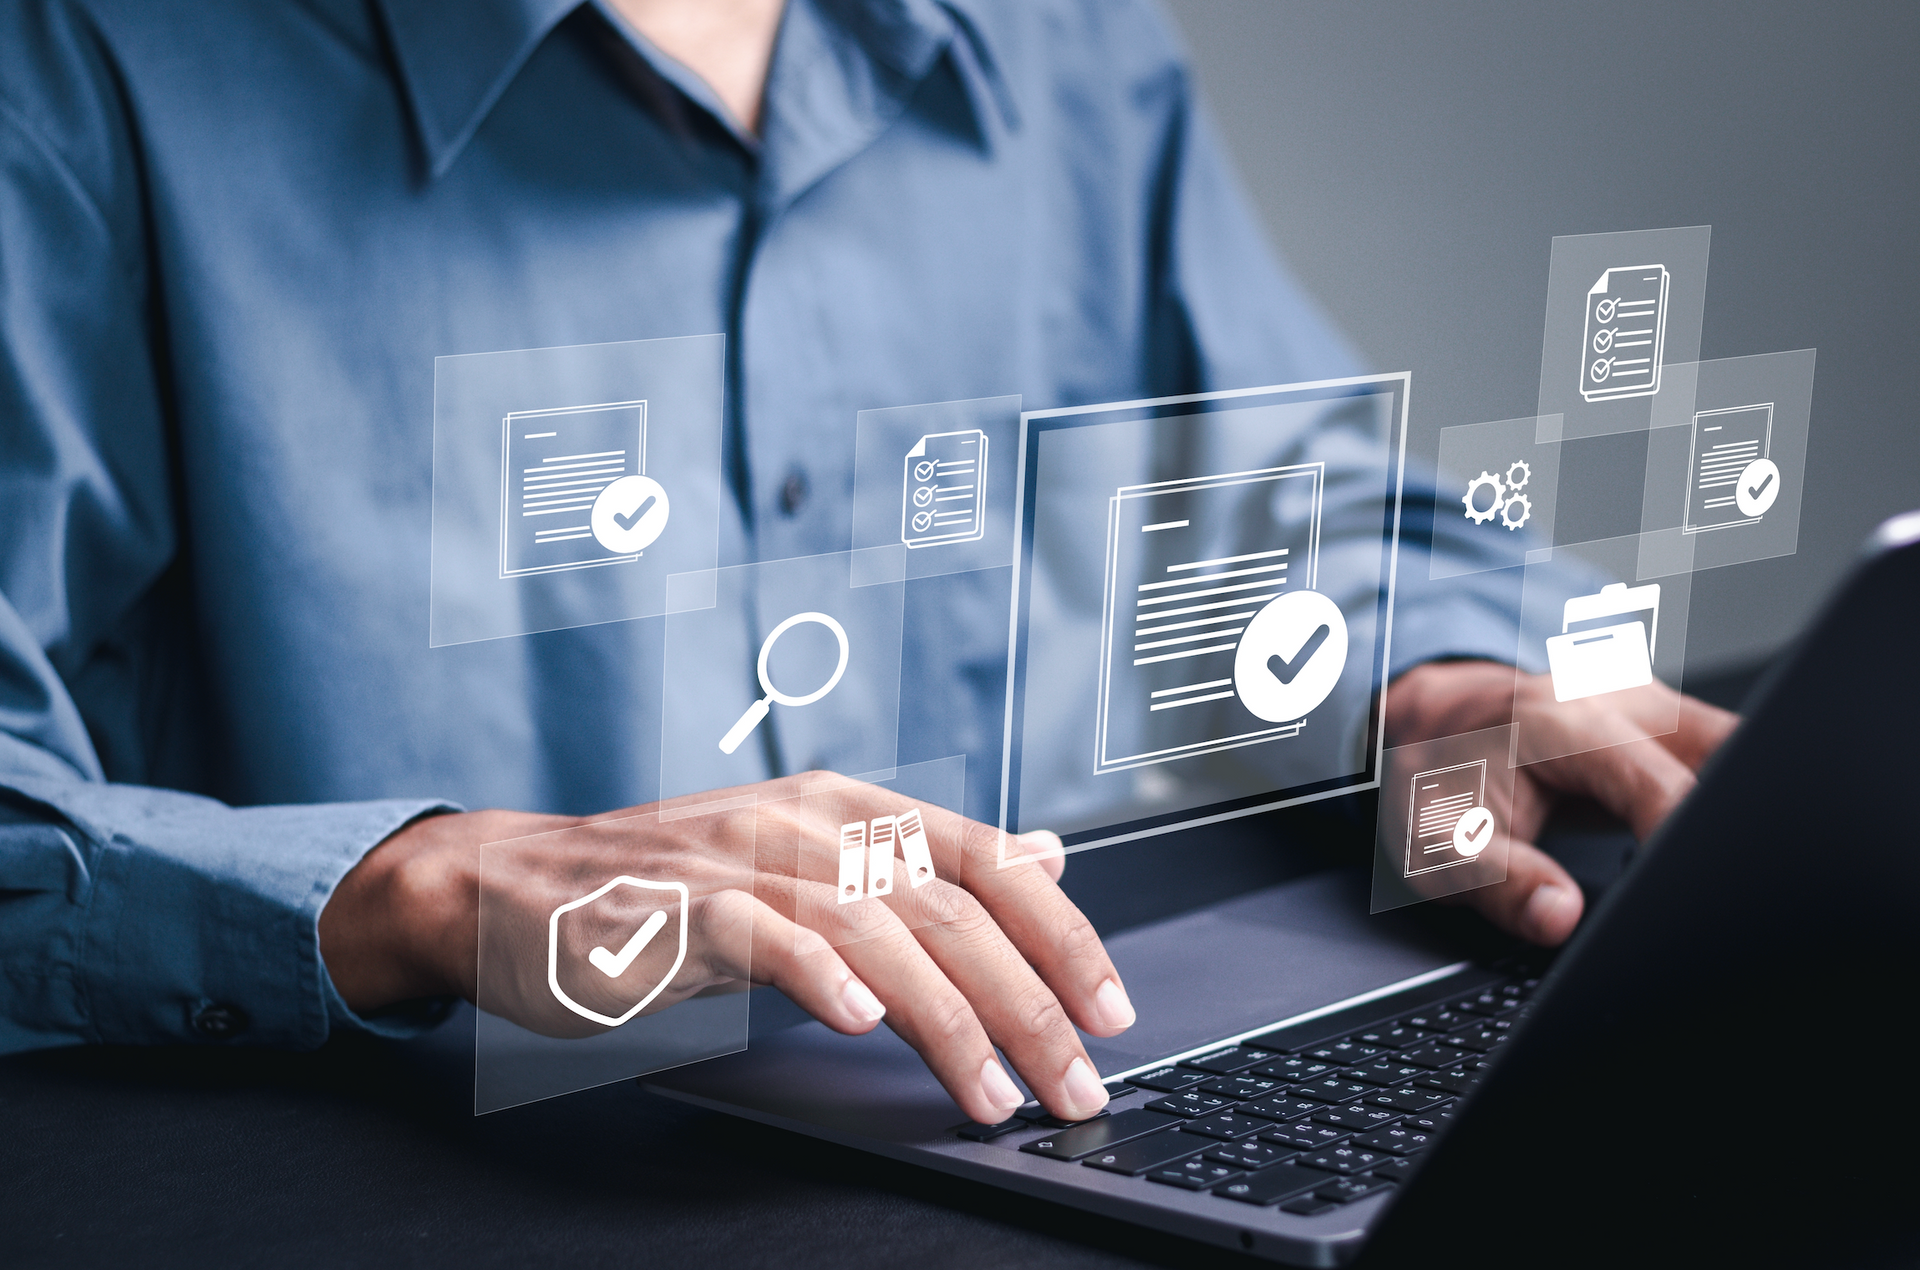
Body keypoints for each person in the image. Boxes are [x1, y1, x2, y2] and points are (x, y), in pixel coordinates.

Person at [0, 0, 1734, 1129]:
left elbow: (1305, 489)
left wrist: (1422, 672)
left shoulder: (1066, 44)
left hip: (1058, 1128)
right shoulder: (77, 70)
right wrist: (422, 888)